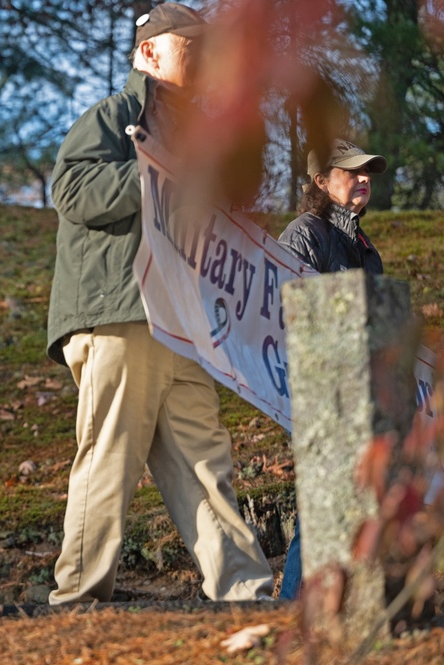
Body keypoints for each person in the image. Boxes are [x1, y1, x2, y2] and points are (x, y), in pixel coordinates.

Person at [46, 2, 274, 605]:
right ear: (147, 53)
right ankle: (80, 597)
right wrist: (160, 172)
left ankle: (245, 592)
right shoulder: (115, 115)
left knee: (206, 463)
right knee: (110, 457)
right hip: (123, 313)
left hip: (187, 324)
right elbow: (72, 191)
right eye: (189, 46)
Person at [277, 138, 387, 599]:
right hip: (319, 399)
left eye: (367, 173)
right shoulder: (305, 233)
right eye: (351, 172)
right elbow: (281, 316)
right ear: (321, 182)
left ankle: (335, 614)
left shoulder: (365, 248)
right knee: (319, 514)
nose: (363, 180)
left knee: (351, 514)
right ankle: (290, 612)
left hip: (361, 401)